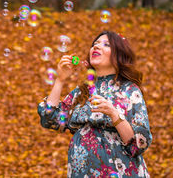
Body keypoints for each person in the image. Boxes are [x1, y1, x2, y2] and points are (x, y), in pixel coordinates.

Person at [37, 31, 152, 177]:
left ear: (119, 55)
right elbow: (49, 118)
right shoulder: (82, 92)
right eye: (95, 44)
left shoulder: (129, 90)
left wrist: (114, 115)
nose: (96, 47)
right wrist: (60, 80)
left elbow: (138, 145)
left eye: (106, 44)